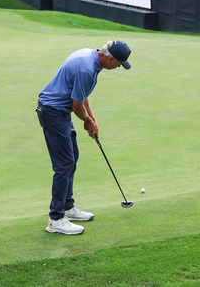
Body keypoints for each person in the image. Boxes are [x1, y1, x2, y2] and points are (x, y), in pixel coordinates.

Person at [36, 39, 132, 235]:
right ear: (111, 59)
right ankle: (55, 219)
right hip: (53, 112)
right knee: (64, 164)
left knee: (72, 158)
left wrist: (92, 119)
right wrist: (87, 122)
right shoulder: (87, 69)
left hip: (60, 111)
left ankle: (67, 207)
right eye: (119, 64)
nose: (118, 68)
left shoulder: (89, 56)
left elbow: (81, 95)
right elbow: (77, 106)